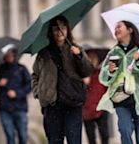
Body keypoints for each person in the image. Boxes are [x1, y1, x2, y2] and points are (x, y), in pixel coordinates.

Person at [31, 15, 94, 144]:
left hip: (73, 104)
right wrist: (38, 92)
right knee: (54, 141)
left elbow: (87, 71)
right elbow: (35, 75)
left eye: (63, 28)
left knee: (74, 141)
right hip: (52, 106)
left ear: (67, 30)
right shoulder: (43, 54)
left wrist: (79, 56)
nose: (60, 32)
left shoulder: (76, 49)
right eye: (56, 29)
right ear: (51, 32)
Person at [97, 20, 139, 144]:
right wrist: (110, 72)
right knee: (125, 130)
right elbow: (102, 78)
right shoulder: (113, 53)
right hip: (121, 98)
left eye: (119, 26)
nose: (116, 30)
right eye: (115, 28)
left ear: (129, 30)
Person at [0, 44, 31, 144]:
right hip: (4, 108)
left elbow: (29, 86)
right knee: (10, 136)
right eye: (7, 55)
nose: (9, 57)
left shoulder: (21, 69)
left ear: (14, 54)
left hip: (20, 108)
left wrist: (17, 93)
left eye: (11, 54)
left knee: (23, 136)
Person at [83, 49, 110, 144]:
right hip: (87, 111)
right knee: (91, 137)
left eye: (94, 59)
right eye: (89, 59)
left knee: (104, 135)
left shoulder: (101, 73)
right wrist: (84, 83)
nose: (92, 61)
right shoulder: (82, 76)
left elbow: (107, 89)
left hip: (101, 109)